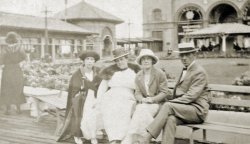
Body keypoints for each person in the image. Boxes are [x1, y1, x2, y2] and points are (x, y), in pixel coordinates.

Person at [140, 42, 210, 144]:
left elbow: (190, 97)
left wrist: (171, 102)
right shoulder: (185, 70)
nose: (184, 58)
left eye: (187, 54)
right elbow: (179, 92)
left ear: (194, 55)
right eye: (182, 55)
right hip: (185, 110)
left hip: (197, 111)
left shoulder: (199, 72)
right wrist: (160, 93)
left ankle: (147, 138)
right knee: (170, 119)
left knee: (168, 106)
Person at [122, 49, 172, 144]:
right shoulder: (138, 75)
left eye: (148, 59)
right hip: (144, 104)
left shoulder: (159, 73)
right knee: (142, 108)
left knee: (141, 109)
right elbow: (137, 93)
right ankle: (145, 139)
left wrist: (152, 99)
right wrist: (142, 99)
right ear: (140, 62)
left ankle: (133, 138)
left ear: (152, 61)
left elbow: (164, 92)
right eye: (143, 59)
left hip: (158, 103)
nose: (146, 61)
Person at [57, 51, 102, 144]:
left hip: (94, 97)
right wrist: (81, 88)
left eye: (92, 59)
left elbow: (100, 86)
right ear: (84, 61)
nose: (90, 62)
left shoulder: (97, 72)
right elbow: (74, 88)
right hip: (82, 98)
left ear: (94, 61)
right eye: (87, 59)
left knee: (94, 116)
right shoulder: (78, 73)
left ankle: (92, 135)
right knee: (81, 116)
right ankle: (78, 135)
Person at [97, 47, 140, 144]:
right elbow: (102, 88)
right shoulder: (111, 72)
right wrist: (98, 101)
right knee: (110, 110)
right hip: (111, 96)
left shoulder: (134, 72)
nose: (120, 62)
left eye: (121, 59)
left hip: (127, 96)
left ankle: (124, 138)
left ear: (126, 59)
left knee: (124, 109)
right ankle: (113, 138)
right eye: (117, 61)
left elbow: (139, 87)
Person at [0, 31, 26, 115]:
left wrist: (3, 65)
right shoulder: (20, 48)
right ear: (15, 39)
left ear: (7, 40)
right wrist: (20, 64)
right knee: (17, 88)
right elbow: (24, 58)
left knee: (6, 88)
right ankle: (18, 108)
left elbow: (1, 60)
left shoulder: (4, 49)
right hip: (17, 70)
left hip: (7, 71)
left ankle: (8, 109)